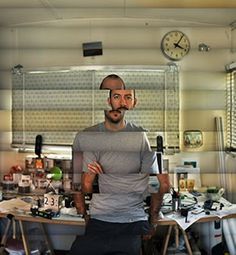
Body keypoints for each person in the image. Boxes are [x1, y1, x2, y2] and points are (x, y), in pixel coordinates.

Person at [70, 76, 169, 255]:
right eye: (115, 97)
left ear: (133, 103)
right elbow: (77, 182)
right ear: (107, 100)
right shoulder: (85, 137)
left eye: (127, 97)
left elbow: (155, 184)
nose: (120, 103)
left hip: (132, 220)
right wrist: (83, 213)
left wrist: (153, 219)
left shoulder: (140, 137)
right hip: (99, 220)